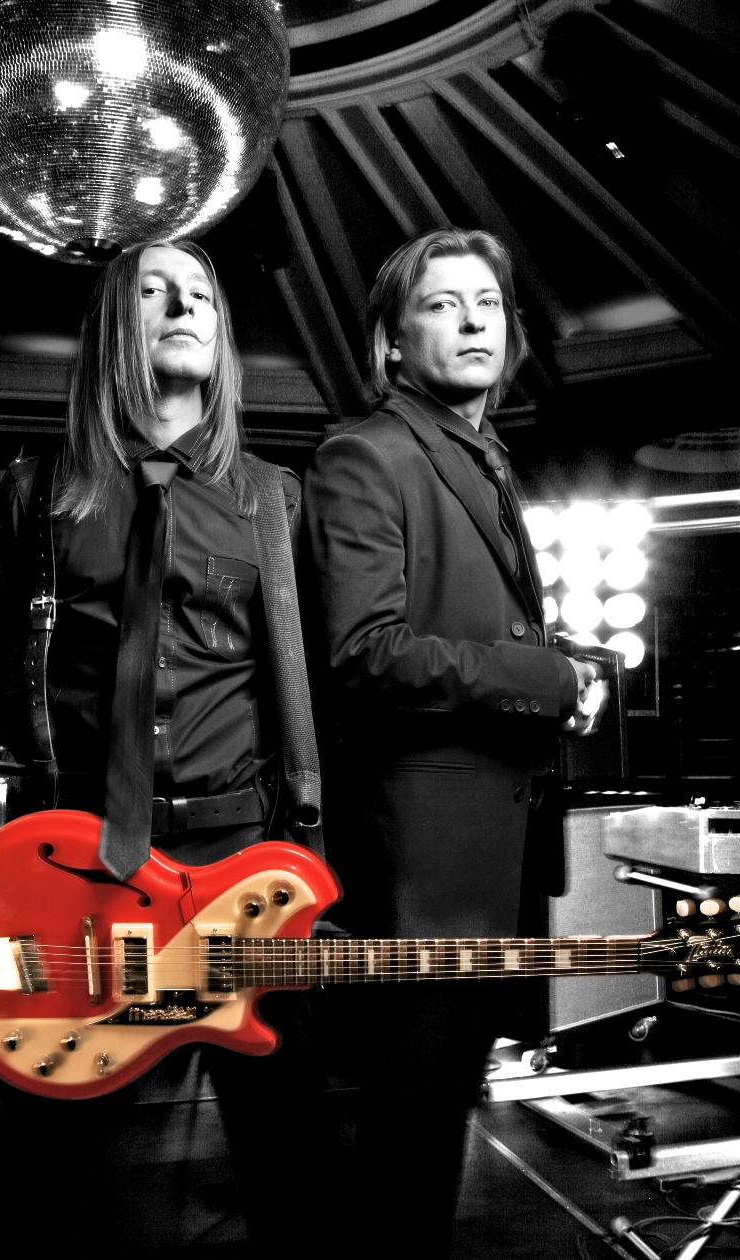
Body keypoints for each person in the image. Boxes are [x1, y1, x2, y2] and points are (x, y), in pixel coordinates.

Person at [0, 240, 326, 1259]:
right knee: (34, 1172)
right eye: (155, 291)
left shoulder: (274, 498)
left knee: (293, 1164)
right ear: (111, 332)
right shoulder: (37, 492)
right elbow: (8, 681)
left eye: (201, 293)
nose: (185, 306)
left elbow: (305, 688)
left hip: (242, 863)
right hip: (80, 866)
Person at [301, 227, 599, 1256]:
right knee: (409, 1139)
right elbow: (365, 653)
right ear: (391, 341)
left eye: (489, 305)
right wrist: (544, 678)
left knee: (434, 1129)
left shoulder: (483, 453)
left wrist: (565, 678)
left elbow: (476, 630)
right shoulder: (365, 453)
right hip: (420, 864)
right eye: (442, 304)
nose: (475, 321)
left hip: (482, 851)